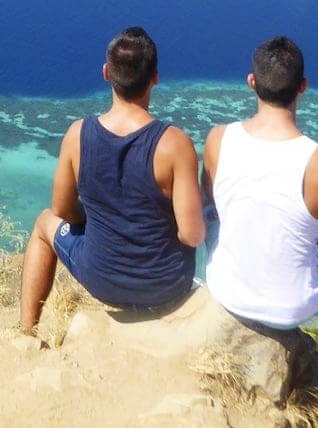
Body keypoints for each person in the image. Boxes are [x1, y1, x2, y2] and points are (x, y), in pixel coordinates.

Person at [203, 36, 318, 426]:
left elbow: (213, 207)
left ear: (251, 81)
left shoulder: (218, 138)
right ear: (303, 87)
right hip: (290, 306)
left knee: (215, 222)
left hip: (226, 288)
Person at [18, 26, 205, 332]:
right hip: (167, 285)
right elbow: (192, 235)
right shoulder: (175, 144)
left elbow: (62, 210)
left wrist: (93, 220)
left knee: (43, 223)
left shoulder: (78, 135)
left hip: (101, 280)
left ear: (106, 73)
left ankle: (26, 330)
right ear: (155, 77)